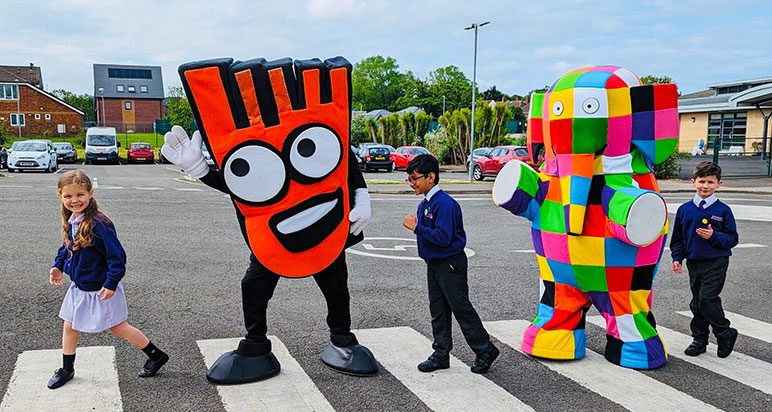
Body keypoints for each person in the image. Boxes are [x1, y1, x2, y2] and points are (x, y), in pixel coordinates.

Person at [47, 170, 169, 389]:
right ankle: (67, 369)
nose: (74, 200)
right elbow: (67, 245)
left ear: (90, 193)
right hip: (80, 288)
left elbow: (117, 257)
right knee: (70, 326)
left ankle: (156, 355)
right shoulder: (73, 219)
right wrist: (58, 265)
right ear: (60, 196)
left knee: (118, 328)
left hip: (101, 288)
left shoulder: (99, 224)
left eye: (80, 195)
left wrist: (111, 283)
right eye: (68, 196)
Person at [402, 154, 499, 374]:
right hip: (434, 263)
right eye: (409, 179)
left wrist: (416, 228)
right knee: (438, 310)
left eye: (415, 178)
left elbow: (444, 238)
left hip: (450, 263)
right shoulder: (425, 203)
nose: (412, 183)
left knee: (460, 308)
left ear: (431, 177)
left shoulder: (444, 204)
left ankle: (485, 350)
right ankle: (441, 353)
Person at [671, 161, 739, 358]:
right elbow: (678, 239)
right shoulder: (685, 210)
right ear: (693, 182)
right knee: (696, 303)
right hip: (694, 262)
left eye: (711, 182)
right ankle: (699, 340)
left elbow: (733, 239)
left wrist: (713, 237)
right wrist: (678, 258)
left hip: (716, 261)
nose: (705, 186)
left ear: (719, 184)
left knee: (707, 299)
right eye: (702, 181)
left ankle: (725, 332)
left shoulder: (723, 210)